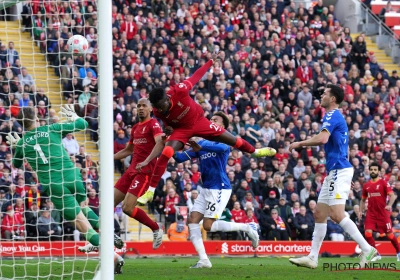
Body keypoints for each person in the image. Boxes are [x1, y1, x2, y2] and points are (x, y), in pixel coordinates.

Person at [136, 53, 276, 205]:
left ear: (167, 98)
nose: (160, 110)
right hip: (181, 130)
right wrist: (168, 130)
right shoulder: (157, 111)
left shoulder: (179, 91)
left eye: (162, 107)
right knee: (167, 152)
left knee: (232, 139)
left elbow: (196, 76)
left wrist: (210, 62)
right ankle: (150, 191)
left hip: (199, 122)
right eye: (157, 108)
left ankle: (255, 152)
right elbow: (168, 124)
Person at [7, 106, 124, 269]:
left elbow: (16, 164)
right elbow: (83, 124)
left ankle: (111, 254)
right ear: (36, 118)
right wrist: (75, 117)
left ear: (21, 125)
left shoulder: (22, 143)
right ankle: (112, 243)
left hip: (55, 186)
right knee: (84, 208)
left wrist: (17, 145)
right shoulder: (52, 128)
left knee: (83, 225)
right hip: (71, 176)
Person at [288, 85, 377, 269]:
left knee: (336, 214)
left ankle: (367, 249)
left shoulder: (331, 114)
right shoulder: (335, 116)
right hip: (337, 171)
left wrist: (300, 143)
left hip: (339, 170)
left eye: (326, 93)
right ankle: (313, 257)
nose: (322, 95)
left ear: (333, 99)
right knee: (320, 213)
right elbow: (342, 145)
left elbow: (322, 139)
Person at [173, 111, 259, 268]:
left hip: (219, 188)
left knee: (208, 225)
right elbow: (179, 158)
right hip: (207, 189)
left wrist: (197, 142)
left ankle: (248, 227)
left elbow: (214, 147)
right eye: (210, 119)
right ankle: (204, 260)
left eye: (215, 120)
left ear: (223, 127)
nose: (211, 121)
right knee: (192, 220)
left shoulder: (224, 142)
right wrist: (169, 143)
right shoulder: (202, 145)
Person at [113, 98, 164, 251]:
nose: (141, 108)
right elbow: (129, 150)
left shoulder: (153, 124)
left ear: (150, 109)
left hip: (145, 172)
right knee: (108, 204)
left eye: (144, 106)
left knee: (127, 208)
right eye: (139, 106)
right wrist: (109, 157)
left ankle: (156, 228)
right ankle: (110, 235)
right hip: (131, 171)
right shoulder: (135, 128)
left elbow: (159, 143)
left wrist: (147, 160)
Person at [360, 162, 399, 261]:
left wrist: (389, 205)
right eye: (371, 169)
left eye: (375, 170)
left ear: (378, 171)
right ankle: (376, 254)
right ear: (369, 171)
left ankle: (399, 252)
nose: (373, 171)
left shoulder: (384, 183)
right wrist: (360, 210)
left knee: (390, 235)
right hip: (371, 214)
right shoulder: (366, 185)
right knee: (368, 234)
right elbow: (363, 200)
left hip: (383, 214)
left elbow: (393, 196)